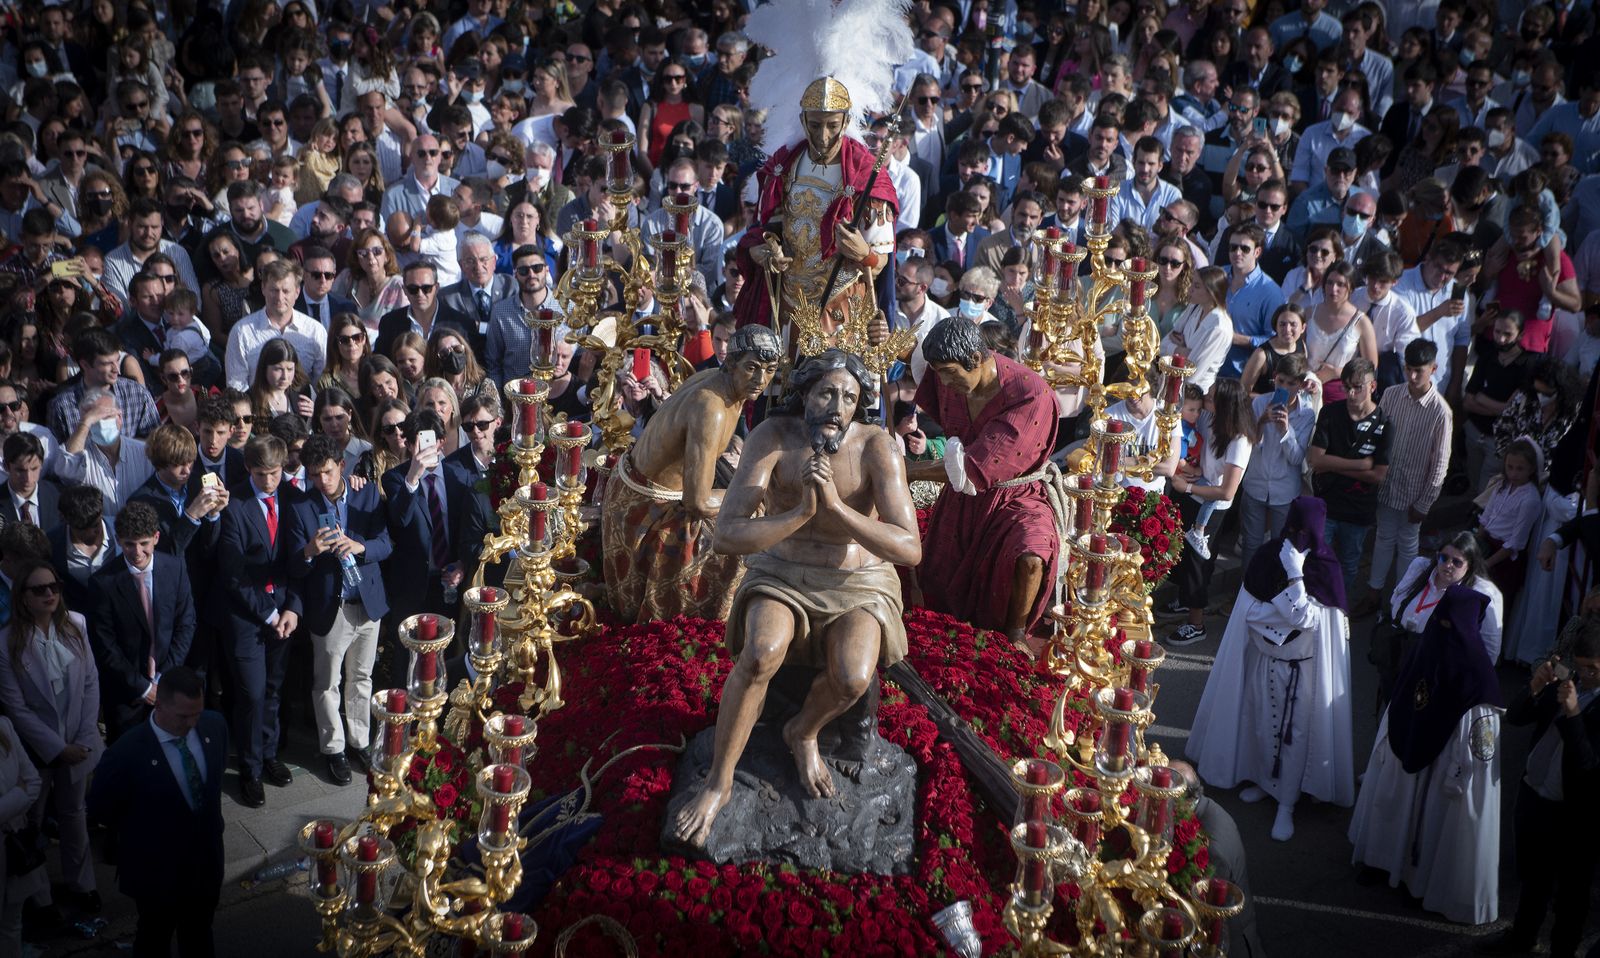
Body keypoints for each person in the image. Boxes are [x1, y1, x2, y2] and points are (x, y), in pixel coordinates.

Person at [667, 350, 920, 848]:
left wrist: (837, 511)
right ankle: (719, 783)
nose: (837, 407)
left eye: (850, 397)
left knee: (853, 675)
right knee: (760, 653)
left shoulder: (877, 448)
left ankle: (803, 731)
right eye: (826, 393)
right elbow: (728, 534)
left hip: (858, 583)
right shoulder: (773, 438)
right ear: (803, 393)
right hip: (781, 573)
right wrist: (801, 513)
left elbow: (909, 548)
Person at [1187, 496, 1355, 842]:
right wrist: (1287, 607)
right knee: (1262, 725)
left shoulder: (1324, 567)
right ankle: (1267, 783)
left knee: (1294, 737)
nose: (1296, 537)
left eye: (1304, 532)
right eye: (1293, 529)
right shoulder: (1268, 556)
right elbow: (1250, 613)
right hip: (1266, 662)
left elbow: (1307, 618)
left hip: (1302, 672)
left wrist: (1294, 576)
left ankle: (1287, 805)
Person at [602, 326, 781, 624]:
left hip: (634, 490)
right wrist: (750, 498)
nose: (760, 380)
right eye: (751, 367)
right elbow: (697, 503)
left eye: (770, 370)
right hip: (643, 516)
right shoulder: (712, 408)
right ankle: (711, 625)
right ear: (731, 363)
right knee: (746, 530)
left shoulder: (717, 383)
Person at [1348, 586, 1504, 926]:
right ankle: (1379, 861)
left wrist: (1457, 767)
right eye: (1440, 622)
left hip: (1445, 761)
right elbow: (1404, 692)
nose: (1443, 630)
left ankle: (1416, 883)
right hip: (1405, 744)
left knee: (1428, 822)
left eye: (1451, 626)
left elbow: (1481, 741)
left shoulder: (1479, 676)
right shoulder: (1426, 648)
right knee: (1390, 805)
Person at [908, 319, 1060, 649]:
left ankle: (1016, 634)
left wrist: (905, 472)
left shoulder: (1030, 396)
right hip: (961, 498)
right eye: (939, 374)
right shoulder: (947, 376)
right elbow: (922, 368)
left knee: (1030, 553)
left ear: (977, 359)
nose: (944, 382)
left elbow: (972, 469)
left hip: (1016, 496)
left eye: (949, 373)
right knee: (937, 591)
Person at [733, 76, 898, 343]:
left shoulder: (866, 176)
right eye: (815, 125)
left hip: (841, 308)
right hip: (787, 305)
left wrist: (864, 254)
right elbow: (767, 228)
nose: (823, 136)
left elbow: (882, 262)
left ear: (845, 122)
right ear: (803, 121)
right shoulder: (783, 166)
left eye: (832, 125)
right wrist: (767, 250)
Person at [87, 667, 227, 958]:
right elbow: (102, 807)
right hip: (157, 874)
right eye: (183, 716)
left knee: (200, 935)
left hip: (205, 865)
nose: (192, 723)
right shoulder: (125, 753)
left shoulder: (214, 726)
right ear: (159, 705)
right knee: (154, 939)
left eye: (197, 713)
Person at [1479, 625, 1600, 958]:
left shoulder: (1583, 700)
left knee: (1571, 899)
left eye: (1595, 669)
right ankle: (1522, 938)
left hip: (1576, 817)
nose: (1587, 675)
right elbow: (1516, 718)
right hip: (1535, 795)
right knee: (1534, 880)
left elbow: (1589, 765)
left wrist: (1574, 713)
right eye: (1582, 666)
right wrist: (1535, 687)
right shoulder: (1567, 682)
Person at [0, 558, 103, 920]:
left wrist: (84, 737)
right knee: (33, 821)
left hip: (78, 741)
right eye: (39, 589)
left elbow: (91, 684)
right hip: (37, 751)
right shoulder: (6, 642)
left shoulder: (76, 626)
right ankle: (38, 898)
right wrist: (58, 749)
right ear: (23, 597)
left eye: (54, 587)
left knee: (75, 816)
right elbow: (17, 707)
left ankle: (83, 886)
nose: (49, 594)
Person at [287, 434, 390, 786]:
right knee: (328, 682)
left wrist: (360, 547)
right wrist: (310, 551)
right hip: (331, 607)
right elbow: (293, 568)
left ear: (342, 466)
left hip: (367, 601)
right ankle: (333, 749)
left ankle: (359, 742)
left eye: (327, 472)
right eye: (314, 475)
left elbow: (385, 543)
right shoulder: (301, 507)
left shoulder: (366, 493)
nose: (322, 481)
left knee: (361, 678)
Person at [217, 435, 302, 808]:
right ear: (249, 469)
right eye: (262, 474)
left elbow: (300, 562)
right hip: (247, 613)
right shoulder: (234, 505)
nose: (270, 481)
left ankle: (269, 756)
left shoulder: (294, 498)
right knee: (251, 694)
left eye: (276, 472)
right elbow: (233, 574)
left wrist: (292, 609)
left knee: (273, 689)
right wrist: (268, 613)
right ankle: (250, 769)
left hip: (284, 610)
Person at [88, 502, 197, 742]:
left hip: (169, 686)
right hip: (126, 694)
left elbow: (185, 625)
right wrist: (144, 688)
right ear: (118, 540)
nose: (137, 552)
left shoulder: (175, 568)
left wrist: (163, 680)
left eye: (143, 543)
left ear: (156, 538)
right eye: (129, 544)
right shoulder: (103, 583)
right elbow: (105, 645)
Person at [1360, 338, 1451, 615]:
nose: (1412, 376)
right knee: (1384, 538)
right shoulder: (1391, 394)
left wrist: (1424, 503)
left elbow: (1440, 464)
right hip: (1387, 485)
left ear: (1433, 369)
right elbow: (1378, 436)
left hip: (1415, 491)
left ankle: (1399, 602)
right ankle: (1374, 595)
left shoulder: (1441, 412)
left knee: (1408, 545)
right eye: (1408, 369)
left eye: (1418, 371)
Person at [1164, 377, 1256, 643]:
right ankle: (1184, 600)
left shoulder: (1239, 440)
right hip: (1192, 494)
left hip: (1211, 507)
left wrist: (1188, 488)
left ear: (1225, 405)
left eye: (1211, 397)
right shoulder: (1208, 417)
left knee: (1198, 564)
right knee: (1181, 555)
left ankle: (1197, 623)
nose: (1205, 399)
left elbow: (1227, 491)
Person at [1378, 532, 1504, 708]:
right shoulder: (1420, 567)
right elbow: (1395, 600)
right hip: (1400, 657)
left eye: (1457, 562)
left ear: (1470, 565)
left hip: (1437, 673)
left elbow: (1489, 649)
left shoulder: (1483, 593)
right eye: (1444, 557)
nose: (1448, 565)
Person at [0, 713, 43, 954]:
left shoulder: (4, 725)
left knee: (12, 922)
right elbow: (25, 788)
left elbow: (33, 781)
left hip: (15, 848)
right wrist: (18, 796)